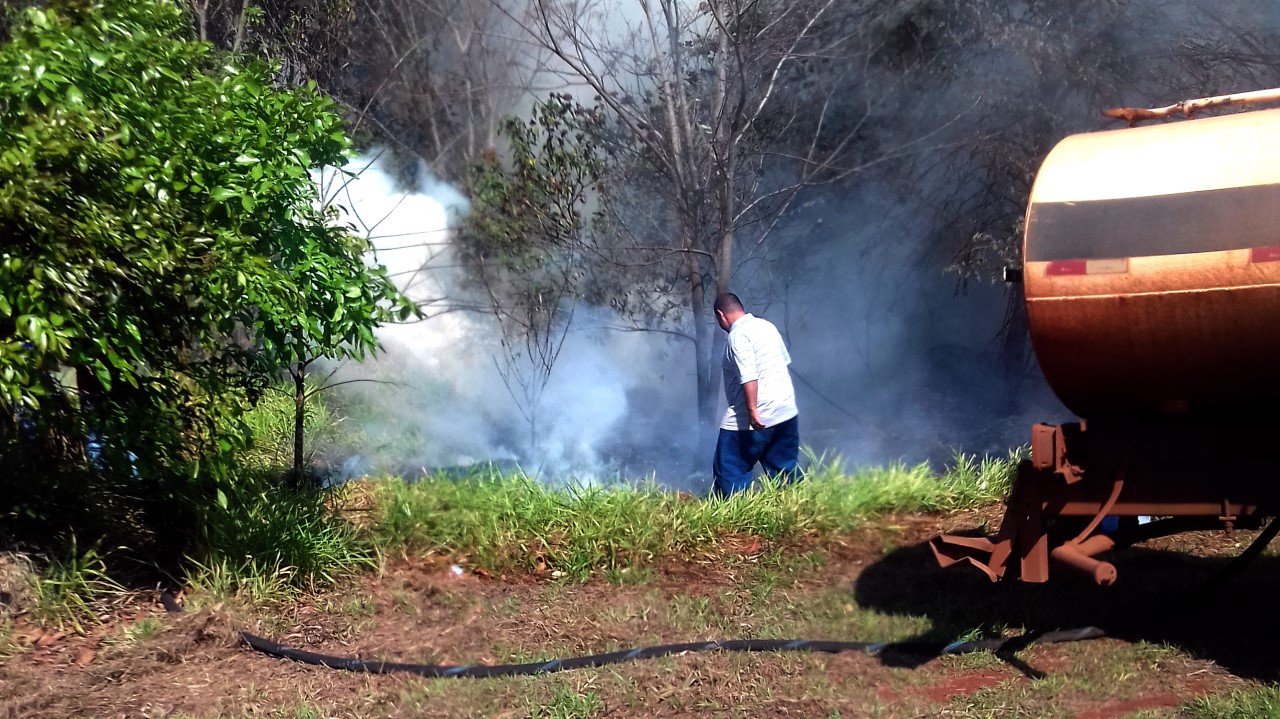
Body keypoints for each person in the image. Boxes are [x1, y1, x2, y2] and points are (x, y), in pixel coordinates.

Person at [712, 292, 800, 496]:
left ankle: (734, 519)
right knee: (784, 471)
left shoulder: (737, 336)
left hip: (754, 418)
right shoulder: (766, 326)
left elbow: (748, 374)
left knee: (729, 472)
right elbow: (783, 363)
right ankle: (797, 511)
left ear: (721, 315)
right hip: (785, 411)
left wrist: (752, 411)